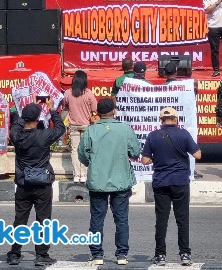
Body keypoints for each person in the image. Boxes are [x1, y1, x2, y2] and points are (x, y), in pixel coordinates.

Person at [78, 98, 141, 266]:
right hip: (120, 180)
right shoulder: (125, 129)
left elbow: (82, 155)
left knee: (97, 219)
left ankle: (97, 254)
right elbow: (135, 152)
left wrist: (94, 162)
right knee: (121, 219)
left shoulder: (91, 131)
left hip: (98, 180)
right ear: (114, 111)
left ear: (97, 113)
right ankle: (121, 255)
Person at [7, 99, 65, 266]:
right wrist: (53, 109)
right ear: (38, 118)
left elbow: (17, 125)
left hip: (24, 182)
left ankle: (14, 253)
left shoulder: (17, 136)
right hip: (42, 183)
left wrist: (25, 109)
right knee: (44, 219)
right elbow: (61, 128)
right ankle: (41, 254)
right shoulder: (44, 135)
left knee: (20, 219)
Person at [141, 107, 202, 266]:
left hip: (161, 182)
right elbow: (198, 155)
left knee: (161, 219)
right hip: (180, 181)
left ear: (161, 121)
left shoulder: (153, 136)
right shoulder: (183, 134)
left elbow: (145, 160)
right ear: (176, 119)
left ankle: (160, 255)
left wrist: (158, 159)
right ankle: (185, 254)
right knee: (182, 219)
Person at [62, 70, 98, 183]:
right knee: (85, 150)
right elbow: (94, 109)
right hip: (87, 125)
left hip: (73, 125)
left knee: (74, 150)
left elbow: (65, 107)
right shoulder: (88, 93)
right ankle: (84, 175)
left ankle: (76, 175)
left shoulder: (68, 93)